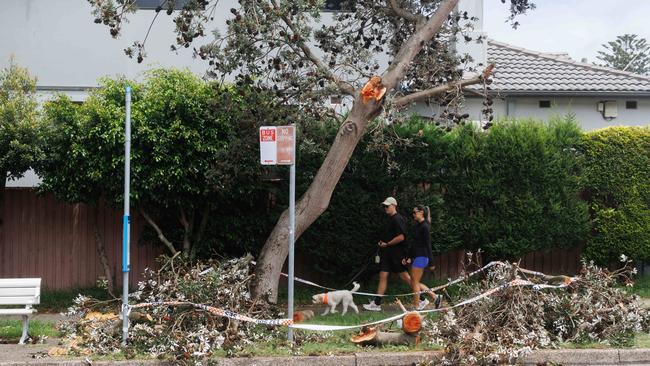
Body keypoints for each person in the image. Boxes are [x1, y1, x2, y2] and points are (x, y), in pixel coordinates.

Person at [363, 197, 430, 311]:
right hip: (388, 254)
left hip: (397, 254)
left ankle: (422, 299)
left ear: (394, 205)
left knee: (407, 278)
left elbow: (401, 237)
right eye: (384, 206)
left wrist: (387, 244)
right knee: (383, 275)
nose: (385, 208)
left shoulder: (398, 219)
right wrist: (383, 243)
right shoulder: (390, 219)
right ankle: (377, 304)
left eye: (387, 206)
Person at [404, 204, 442, 310]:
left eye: (415, 212)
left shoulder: (425, 226)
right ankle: (435, 297)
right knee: (414, 281)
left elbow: (428, 244)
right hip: (417, 256)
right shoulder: (418, 226)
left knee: (415, 282)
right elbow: (414, 244)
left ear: (421, 212)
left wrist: (432, 262)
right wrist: (408, 257)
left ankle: (416, 306)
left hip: (422, 257)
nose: (413, 214)